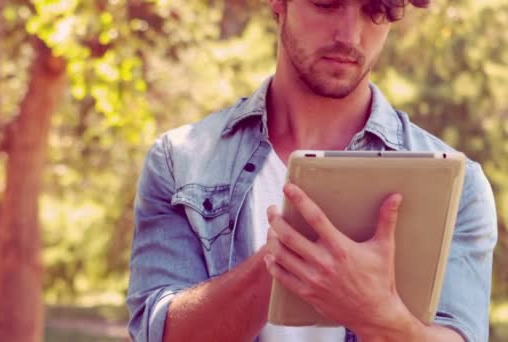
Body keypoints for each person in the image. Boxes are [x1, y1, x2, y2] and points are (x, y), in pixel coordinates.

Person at [126, 0, 498, 341]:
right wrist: (285, 259)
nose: (349, 35)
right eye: (326, 2)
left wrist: (378, 315)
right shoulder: (180, 161)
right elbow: (160, 335)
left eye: (376, 9)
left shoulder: (457, 184)